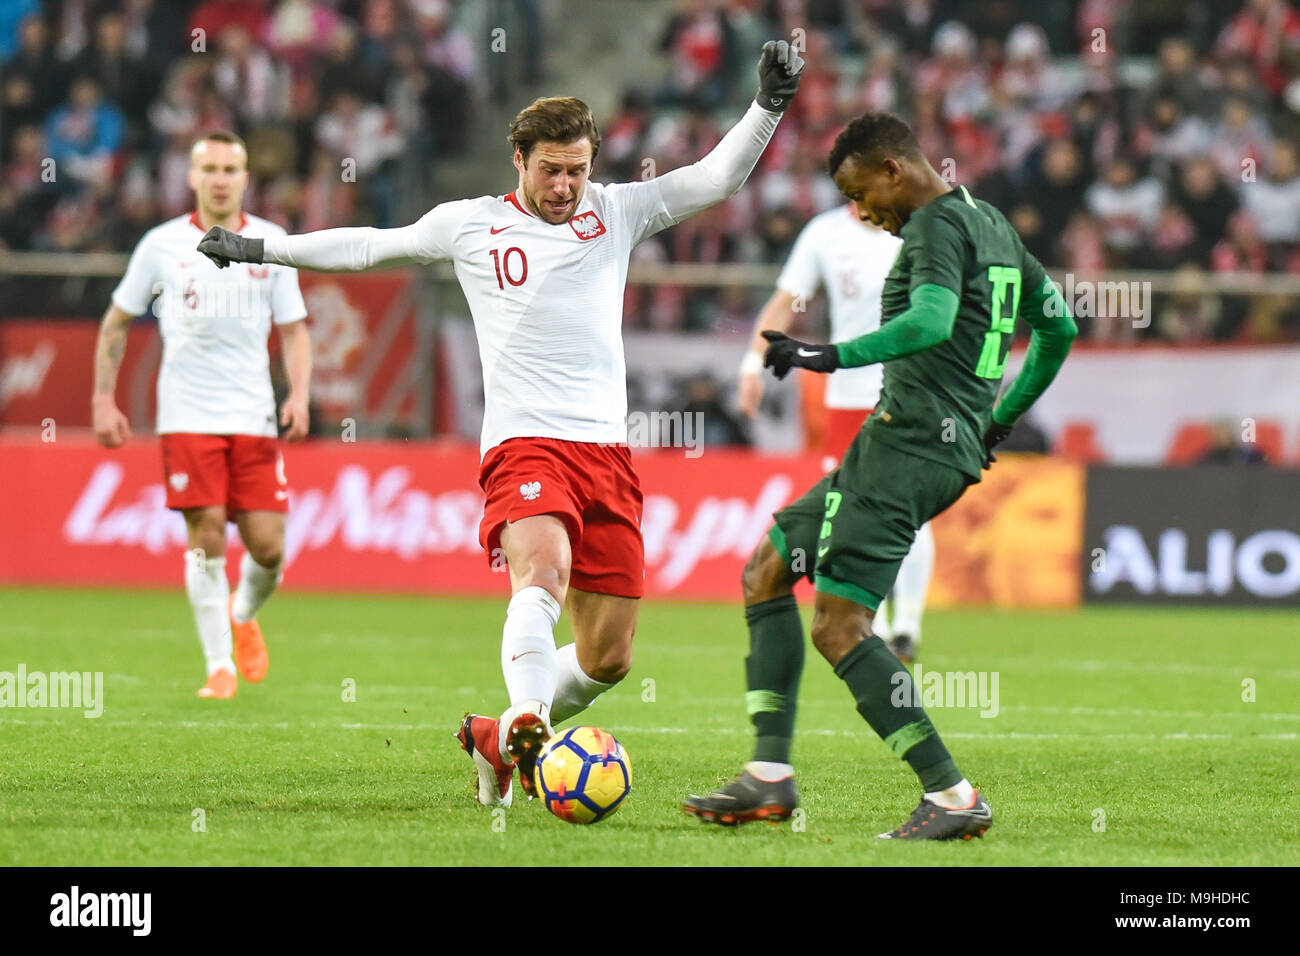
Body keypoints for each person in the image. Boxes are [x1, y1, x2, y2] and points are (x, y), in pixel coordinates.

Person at [197, 41, 806, 808]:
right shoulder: (470, 225)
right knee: (540, 573)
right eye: (550, 169)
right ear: (517, 158)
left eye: (577, 169)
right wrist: (261, 247)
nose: (565, 185)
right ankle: (527, 719)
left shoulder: (617, 210)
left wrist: (768, 106)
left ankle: (497, 737)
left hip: (608, 456)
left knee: (609, 657)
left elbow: (716, 178)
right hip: (525, 444)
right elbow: (367, 249)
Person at [685, 112, 1077, 839]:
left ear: (894, 169)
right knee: (766, 570)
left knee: (839, 626)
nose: (863, 213)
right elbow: (1059, 329)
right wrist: (998, 421)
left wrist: (825, 356)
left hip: (908, 449)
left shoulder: (931, 227)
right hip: (916, 445)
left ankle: (952, 795)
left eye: (862, 194)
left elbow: (930, 321)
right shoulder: (989, 222)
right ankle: (768, 777)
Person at [93, 130, 312, 699]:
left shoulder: (272, 242)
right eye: (208, 168)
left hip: (254, 416)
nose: (219, 178)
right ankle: (219, 665)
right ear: (191, 177)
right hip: (186, 414)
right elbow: (117, 322)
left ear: (245, 178)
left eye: (229, 168)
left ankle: (242, 614)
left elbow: (294, 331)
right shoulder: (161, 245)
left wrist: (299, 394)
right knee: (205, 531)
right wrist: (101, 398)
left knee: (268, 549)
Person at [738, 202, 934, 663]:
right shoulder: (825, 234)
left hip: (910, 391)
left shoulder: (922, 229)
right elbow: (784, 302)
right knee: (854, 513)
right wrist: (752, 363)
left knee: (912, 509)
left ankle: (908, 624)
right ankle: (880, 626)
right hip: (847, 397)